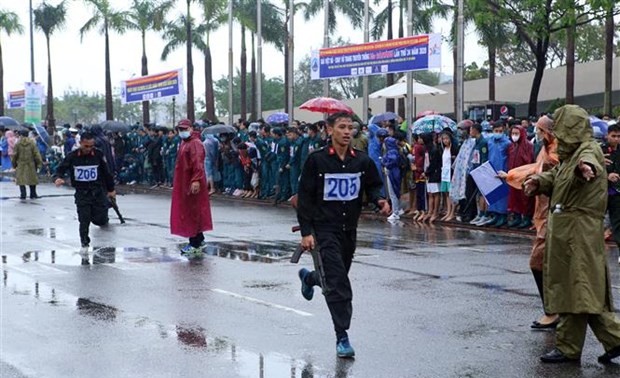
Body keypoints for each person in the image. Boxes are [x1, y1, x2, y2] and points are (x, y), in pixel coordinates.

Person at [523, 105, 620, 364]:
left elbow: (586, 165)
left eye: (561, 127)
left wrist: (584, 169)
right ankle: (589, 344)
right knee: (575, 288)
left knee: (580, 288)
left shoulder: (587, 150)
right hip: (567, 230)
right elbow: (555, 174)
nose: (557, 133)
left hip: (579, 231)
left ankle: (584, 345)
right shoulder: (570, 154)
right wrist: (538, 182)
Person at [295, 112, 390, 358]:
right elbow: (304, 197)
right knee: (338, 283)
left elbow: (373, 184)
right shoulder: (316, 161)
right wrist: (306, 233)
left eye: (351, 128)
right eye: (342, 127)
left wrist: (380, 199)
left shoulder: (362, 161)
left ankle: (310, 279)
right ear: (330, 130)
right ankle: (342, 336)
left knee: (335, 276)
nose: (347, 132)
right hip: (324, 229)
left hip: (349, 229)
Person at [505, 115, 559, 329]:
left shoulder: (558, 152)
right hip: (544, 211)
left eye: (540, 130)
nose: (537, 134)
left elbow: (543, 173)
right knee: (543, 263)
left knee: (538, 262)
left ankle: (553, 311)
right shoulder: (547, 149)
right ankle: (554, 310)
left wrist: (512, 176)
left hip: (553, 213)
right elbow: (534, 170)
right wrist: (510, 176)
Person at [53, 132, 115, 251]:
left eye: (91, 146)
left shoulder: (98, 154)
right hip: (82, 193)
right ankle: (84, 243)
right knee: (84, 219)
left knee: (100, 219)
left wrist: (111, 190)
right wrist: (58, 178)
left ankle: (100, 216)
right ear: (80, 143)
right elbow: (60, 169)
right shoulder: (72, 156)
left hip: (98, 191)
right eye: (86, 146)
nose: (89, 149)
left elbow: (107, 173)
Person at [170, 119, 213, 256]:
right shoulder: (185, 143)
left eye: (184, 129)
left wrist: (196, 180)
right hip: (184, 181)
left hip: (192, 182)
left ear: (191, 128)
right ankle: (198, 239)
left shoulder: (195, 143)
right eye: (180, 129)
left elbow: (198, 164)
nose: (182, 132)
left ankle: (194, 242)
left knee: (193, 211)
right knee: (190, 210)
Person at [12, 129, 43, 199]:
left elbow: (14, 155)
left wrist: (14, 164)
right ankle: (33, 194)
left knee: (21, 180)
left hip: (21, 164)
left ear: (21, 135)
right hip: (30, 164)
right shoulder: (32, 143)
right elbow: (36, 154)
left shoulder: (18, 144)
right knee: (32, 180)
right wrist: (39, 164)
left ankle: (23, 194)